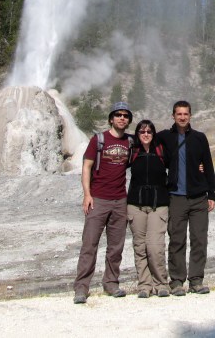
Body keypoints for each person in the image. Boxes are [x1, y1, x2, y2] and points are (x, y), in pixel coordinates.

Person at [73, 101, 134, 304]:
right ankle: (81, 288)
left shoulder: (130, 143)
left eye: (125, 115)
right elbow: (87, 166)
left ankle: (111, 283)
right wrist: (87, 194)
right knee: (89, 244)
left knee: (116, 246)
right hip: (98, 199)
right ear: (111, 118)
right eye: (118, 115)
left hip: (120, 200)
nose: (122, 118)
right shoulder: (98, 140)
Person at [158, 100, 215, 296]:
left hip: (199, 197)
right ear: (173, 116)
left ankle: (196, 280)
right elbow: (144, 140)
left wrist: (212, 193)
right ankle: (176, 281)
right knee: (177, 239)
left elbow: (207, 165)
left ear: (190, 116)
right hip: (176, 197)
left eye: (185, 114)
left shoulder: (199, 138)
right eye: (179, 114)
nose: (182, 117)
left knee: (199, 239)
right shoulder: (165, 137)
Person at [126, 119, 171, 298]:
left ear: (154, 134)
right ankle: (144, 285)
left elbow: (178, 166)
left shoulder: (162, 151)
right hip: (135, 205)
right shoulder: (132, 152)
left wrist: (200, 167)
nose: (146, 134)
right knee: (140, 246)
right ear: (137, 134)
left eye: (149, 131)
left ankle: (161, 283)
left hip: (158, 205)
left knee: (155, 246)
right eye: (142, 131)